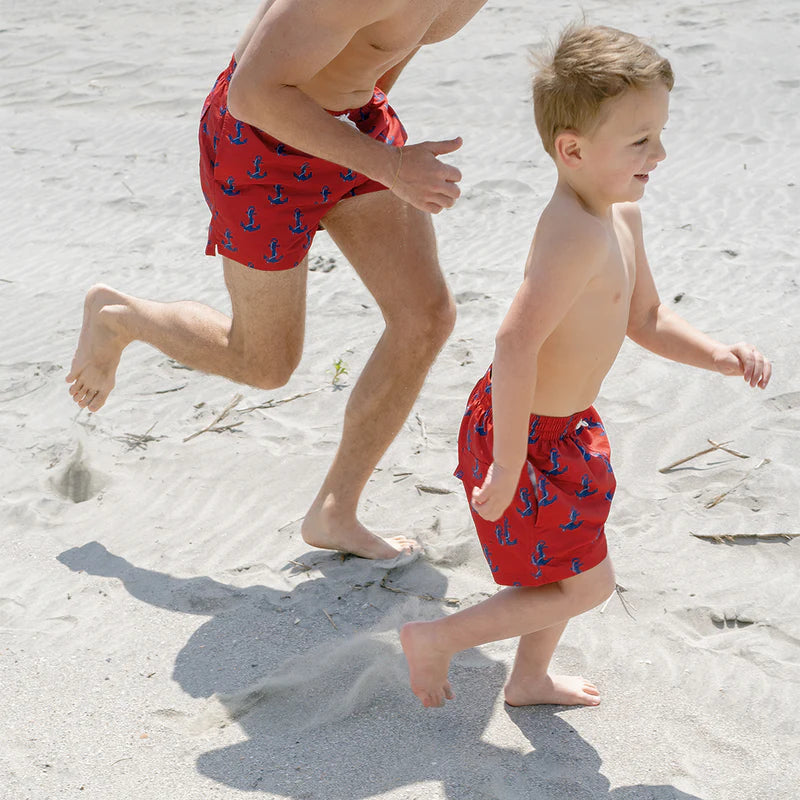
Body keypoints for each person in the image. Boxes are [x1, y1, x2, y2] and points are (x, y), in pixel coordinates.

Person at [400, 23, 772, 709]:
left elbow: (646, 317)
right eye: (640, 140)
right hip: (526, 436)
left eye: (659, 133)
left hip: (567, 432)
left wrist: (717, 353)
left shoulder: (620, 214)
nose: (660, 152)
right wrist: (509, 464)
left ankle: (528, 678)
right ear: (572, 149)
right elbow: (514, 344)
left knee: (567, 565)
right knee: (587, 583)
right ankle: (438, 639)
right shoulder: (573, 232)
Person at [65, 0, 488, 560]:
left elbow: (391, 44)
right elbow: (251, 93)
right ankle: (121, 320)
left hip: (353, 124)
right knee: (265, 363)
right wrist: (387, 166)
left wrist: (367, 133)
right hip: (261, 137)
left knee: (426, 316)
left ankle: (335, 510)